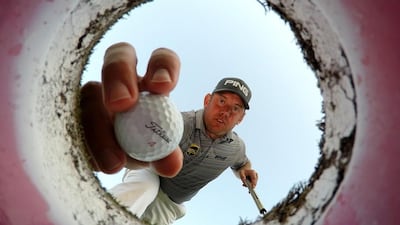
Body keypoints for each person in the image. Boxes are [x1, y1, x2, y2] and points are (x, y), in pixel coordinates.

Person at [80, 42, 259, 225]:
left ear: (241, 118)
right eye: (221, 101)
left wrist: (246, 171)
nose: (225, 111)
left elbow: (241, 164)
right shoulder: (180, 122)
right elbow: (143, 133)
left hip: (171, 202)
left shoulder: (236, 148)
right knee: (144, 187)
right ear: (207, 100)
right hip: (149, 173)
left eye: (235, 108)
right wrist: (124, 124)